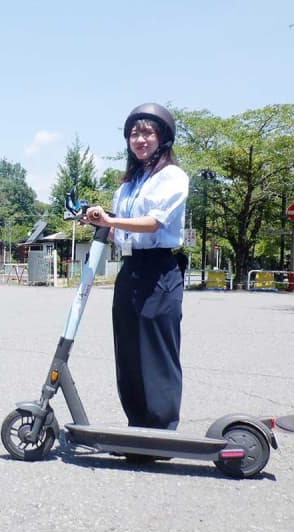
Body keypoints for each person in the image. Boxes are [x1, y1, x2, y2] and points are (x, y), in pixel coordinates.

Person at [84, 103, 189, 433]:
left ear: (162, 138)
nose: (140, 139)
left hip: (159, 270)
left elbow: (153, 223)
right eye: (134, 133)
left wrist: (113, 219)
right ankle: (137, 427)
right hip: (130, 269)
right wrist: (99, 222)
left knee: (156, 351)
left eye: (147, 133)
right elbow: (123, 231)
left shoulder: (172, 177)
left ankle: (161, 430)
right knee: (128, 350)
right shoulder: (127, 185)